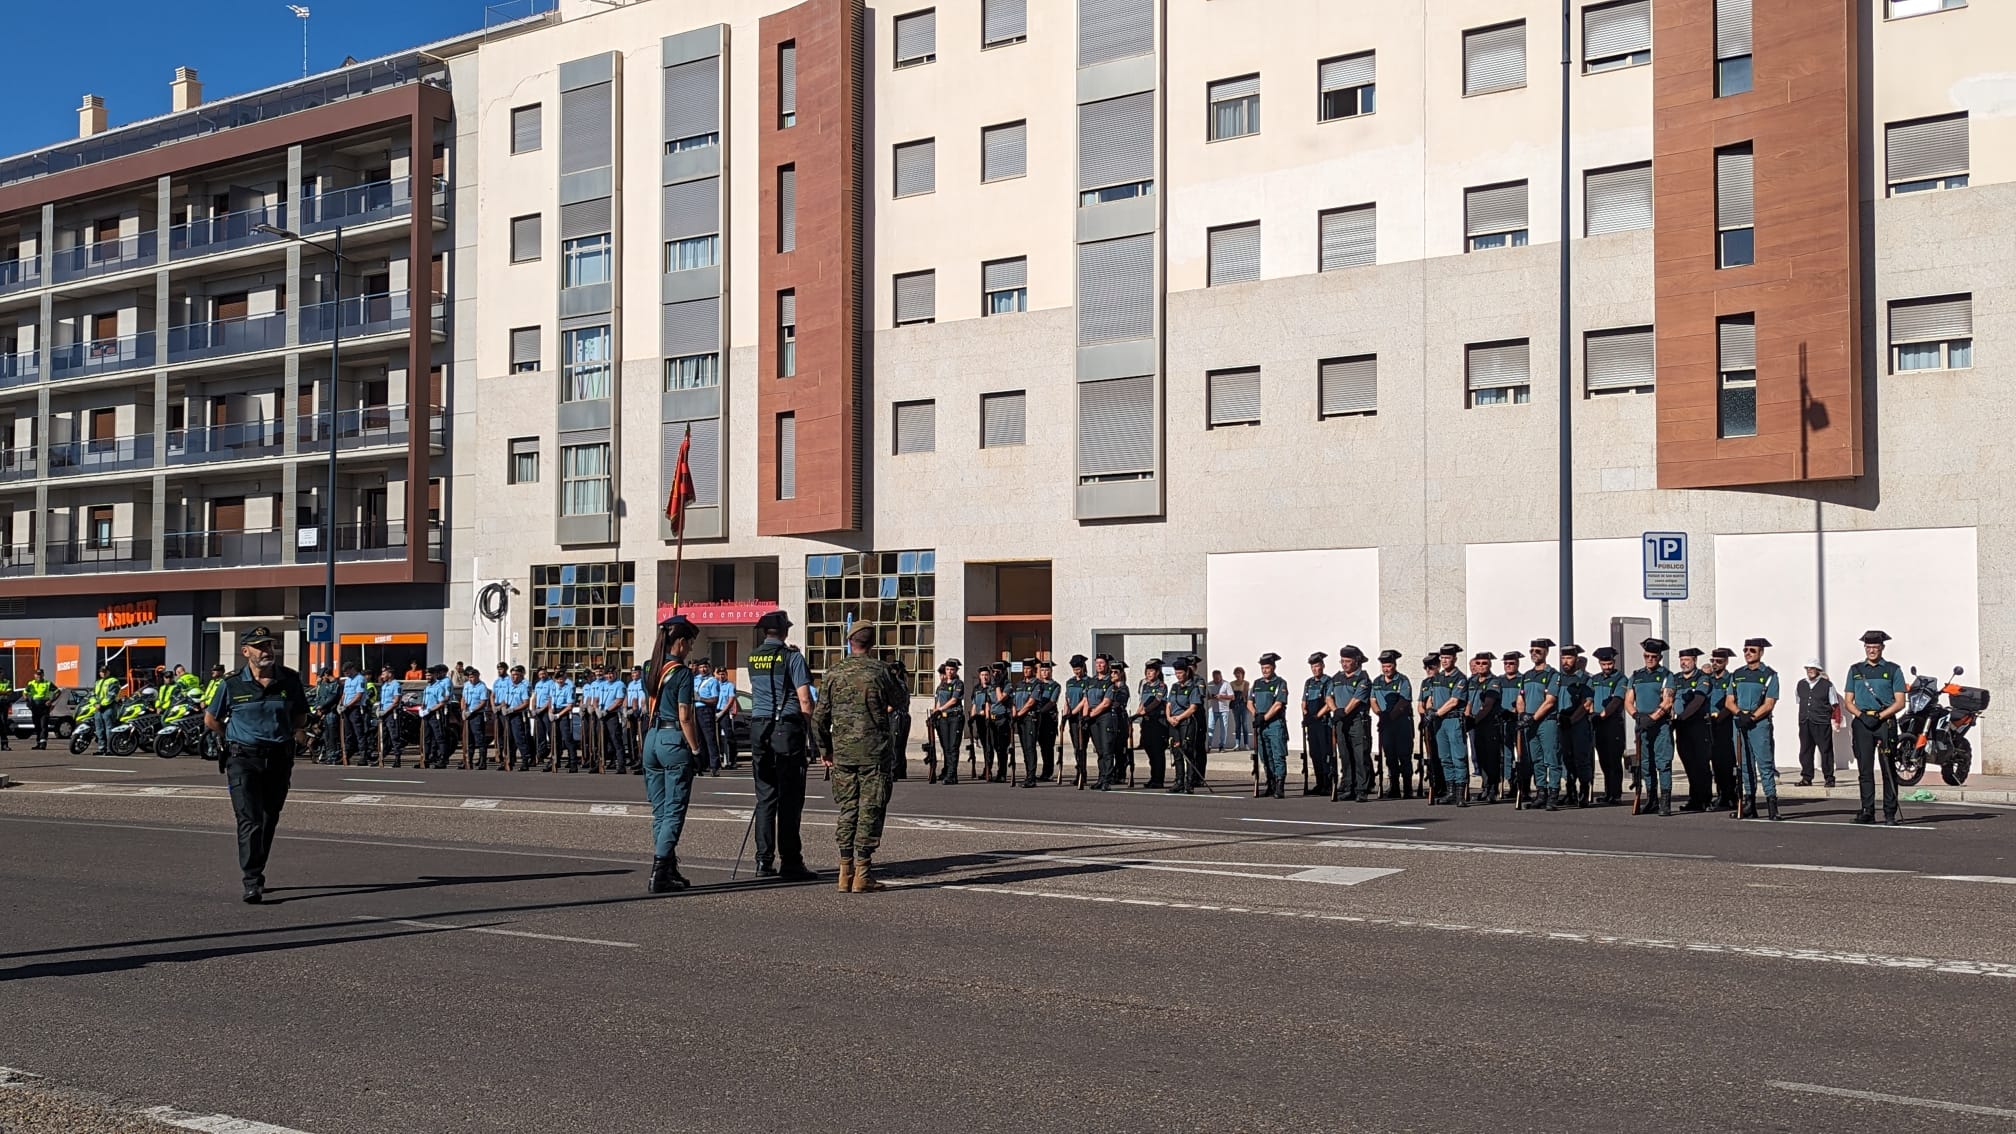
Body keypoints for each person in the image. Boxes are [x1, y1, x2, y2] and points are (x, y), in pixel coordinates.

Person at [203, 626, 310, 904]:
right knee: (249, 818)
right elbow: (211, 719)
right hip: (243, 759)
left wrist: (290, 734)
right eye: (260, 646)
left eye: (270, 646)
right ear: (246, 651)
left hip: (278, 758)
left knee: (268, 818)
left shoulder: (289, 680)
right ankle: (252, 879)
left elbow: (300, 716)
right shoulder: (232, 684)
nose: (267, 651)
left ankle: (257, 865)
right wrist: (233, 739)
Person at [816, 622, 910, 893]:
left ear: (850, 641)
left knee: (848, 809)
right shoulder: (881, 671)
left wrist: (825, 750)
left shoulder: (834, 672)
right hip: (874, 752)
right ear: (872, 643)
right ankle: (863, 872)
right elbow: (902, 699)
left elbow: (819, 717)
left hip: (843, 752)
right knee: (871, 809)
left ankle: (844, 871)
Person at [747, 609, 817, 880]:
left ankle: (763, 861)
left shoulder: (753, 657)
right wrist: (808, 727)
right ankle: (790, 860)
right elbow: (805, 700)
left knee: (765, 798)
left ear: (766, 632)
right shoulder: (793, 657)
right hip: (785, 728)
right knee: (790, 798)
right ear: (785, 631)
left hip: (758, 726)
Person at [641, 615, 704, 893]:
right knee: (674, 811)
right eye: (689, 643)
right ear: (680, 642)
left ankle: (669, 867)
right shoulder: (681, 673)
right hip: (672, 740)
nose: (690, 649)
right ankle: (660, 872)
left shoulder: (649, 667)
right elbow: (685, 716)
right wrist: (696, 748)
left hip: (651, 738)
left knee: (660, 811)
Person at [1843, 630, 1908, 825]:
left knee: (1888, 768)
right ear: (1865, 648)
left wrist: (1880, 716)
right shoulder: (1855, 670)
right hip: (1863, 723)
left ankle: (1890, 813)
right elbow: (1848, 701)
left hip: (1884, 722)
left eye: (1875, 647)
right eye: (1868, 647)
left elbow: (1900, 702)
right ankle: (1867, 810)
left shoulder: (1893, 669)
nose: (1872, 650)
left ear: (1882, 648)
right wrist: (1862, 716)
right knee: (1865, 769)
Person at [1726, 637, 1783, 820]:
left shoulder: (1769, 674)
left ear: (1760, 652)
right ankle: (1749, 804)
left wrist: (1751, 717)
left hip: (1759, 723)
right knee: (1744, 765)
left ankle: (1772, 805)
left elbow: (1769, 704)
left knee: (1765, 765)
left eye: (1751, 650)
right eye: (1745, 650)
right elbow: (1729, 701)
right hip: (1740, 722)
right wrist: (1739, 714)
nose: (1747, 654)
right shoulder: (1737, 674)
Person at [1626, 638, 1676, 816]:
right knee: (1645, 764)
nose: (1649, 659)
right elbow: (1628, 700)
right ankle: (1651, 799)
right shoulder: (1636, 675)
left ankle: (1665, 802)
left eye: (1653, 656)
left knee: (1663, 764)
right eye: (1647, 656)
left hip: (1660, 725)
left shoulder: (1666, 675)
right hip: (1642, 725)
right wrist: (1636, 716)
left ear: (1660, 657)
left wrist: (1652, 718)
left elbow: (1668, 701)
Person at [1519, 639, 1564, 811]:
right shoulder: (1527, 675)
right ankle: (1541, 792)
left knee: (1551, 759)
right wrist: (1523, 715)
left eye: (1538, 651)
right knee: (1535, 759)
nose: (1534, 654)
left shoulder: (1552, 675)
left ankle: (1553, 794)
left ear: (1546, 652)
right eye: (1532, 651)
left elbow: (1550, 701)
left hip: (1546, 722)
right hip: (1530, 723)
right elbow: (1520, 698)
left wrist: (1533, 717)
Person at [1671, 647, 1715, 812]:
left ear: (1694, 661)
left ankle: (1705, 798)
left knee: (1701, 764)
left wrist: (1681, 718)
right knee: (1688, 763)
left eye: (1687, 660)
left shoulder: (1702, 679)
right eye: (1682, 660)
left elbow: (1697, 701)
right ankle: (1694, 798)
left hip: (1698, 726)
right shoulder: (1675, 679)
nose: (1684, 663)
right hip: (1682, 727)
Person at [1327, 646, 1374, 802]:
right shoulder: (1336, 678)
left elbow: (1356, 699)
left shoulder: (1363, 678)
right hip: (1340, 720)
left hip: (1357, 721)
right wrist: (1336, 711)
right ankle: (1348, 787)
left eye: (1348, 661)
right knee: (1345, 755)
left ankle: (1362, 789)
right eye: (1342, 661)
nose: (1344, 664)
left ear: (1356, 661)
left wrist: (1343, 712)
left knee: (1360, 755)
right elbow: (1328, 697)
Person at [1424, 644, 1468, 806]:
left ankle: (1460, 793)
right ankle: (1450, 791)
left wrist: (1436, 713)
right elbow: (1431, 699)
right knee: (1445, 758)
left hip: (1453, 720)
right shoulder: (1437, 678)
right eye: (1442, 658)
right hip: (1439, 723)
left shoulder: (1460, 678)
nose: (1444, 661)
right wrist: (1429, 710)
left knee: (1458, 757)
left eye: (1448, 658)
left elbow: (1453, 701)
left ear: (1454, 659)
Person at [1370, 650, 1414, 800]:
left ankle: (1407, 788)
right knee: (1390, 756)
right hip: (1385, 723)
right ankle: (1394, 786)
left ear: (1394, 665)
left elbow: (1404, 702)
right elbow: (1373, 701)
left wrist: (1389, 717)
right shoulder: (1377, 681)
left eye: (1389, 666)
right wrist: (1380, 715)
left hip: (1400, 723)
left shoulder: (1402, 680)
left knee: (1404, 755)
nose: (1386, 669)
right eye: (1384, 666)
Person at [1589, 647, 1629, 805]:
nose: (1607, 667)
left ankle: (1615, 794)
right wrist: (1592, 713)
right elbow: (1590, 698)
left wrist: (1603, 715)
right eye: (1604, 664)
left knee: (1614, 759)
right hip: (1598, 723)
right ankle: (1607, 792)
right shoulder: (1596, 679)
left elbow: (1617, 701)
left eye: (1609, 663)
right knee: (1604, 760)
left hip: (1612, 723)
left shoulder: (1621, 678)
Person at [1558, 645, 1595, 807]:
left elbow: (1586, 704)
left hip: (1578, 724)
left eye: (1569, 658)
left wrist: (1572, 720)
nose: (1566, 662)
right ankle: (1570, 791)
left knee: (1581, 758)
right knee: (1566, 759)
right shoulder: (1558, 678)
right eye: (1564, 658)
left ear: (1576, 659)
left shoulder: (1585, 679)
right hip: (1562, 723)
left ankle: (1584, 792)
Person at [1794, 658, 1839, 787]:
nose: (1810, 671)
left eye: (1813, 668)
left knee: (1825, 750)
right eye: (1808, 668)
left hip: (1821, 722)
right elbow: (1799, 700)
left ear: (1818, 670)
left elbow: (1834, 703)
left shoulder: (1827, 685)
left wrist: (1834, 720)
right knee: (1805, 750)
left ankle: (1829, 778)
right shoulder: (1801, 684)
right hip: (1804, 721)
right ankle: (1807, 777)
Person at [1704, 647, 1740, 810]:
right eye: (1713, 661)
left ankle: (1730, 795)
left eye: (1719, 661)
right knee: (1715, 762)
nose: (1715, 664)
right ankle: (1720, 794)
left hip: (1724, 724)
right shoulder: (1708, 679)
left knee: (1727, 761)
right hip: (1709, 724)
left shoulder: (1731, 678)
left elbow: (1732, 701)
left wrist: (1720, 717)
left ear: (1725, 662)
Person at [1250, 654, 1289, 798]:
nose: (1265, 670)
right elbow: (1249, 702)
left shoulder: (1280, 683)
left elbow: (1278, 704)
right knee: (1265, 756)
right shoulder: (1257, 683)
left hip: (1274, 724)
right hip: (1261, 726)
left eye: (1267, 668)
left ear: (1273, 667)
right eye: (1263, 668)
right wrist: (1256, 715)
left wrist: (1265, 717)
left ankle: (1280, 786)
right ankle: (1270, 783)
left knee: (1278, 755)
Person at [1166, 655, 1205, 793]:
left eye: (1180, 673)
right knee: (1176, 752)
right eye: (1176, 673)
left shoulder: (1193, 687)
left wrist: (1179, 718)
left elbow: (1193, 707)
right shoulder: (1175, 687)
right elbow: (1169, 704)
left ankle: (1189, 783)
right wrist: (1169, 717)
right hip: (1174, 723)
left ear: (1187, 672)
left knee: (1188, 752)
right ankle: (1178, 781)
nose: (1178, 676)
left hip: (1187, 722)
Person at [1301, 652, 1334, 796]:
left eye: (1318, 666)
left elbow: (1329, 703)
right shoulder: (1308, 682)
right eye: (1313, 667)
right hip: (1312, 724)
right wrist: (1306, 714)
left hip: (1323, 723)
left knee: (1325, 754)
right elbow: (1303, 701)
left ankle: (1328, 783)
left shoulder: (1328, 681)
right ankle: (1319, 782)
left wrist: (1316, 716)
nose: (1315, 669)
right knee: (1314, 753)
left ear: (1323, 666)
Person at [1084, 655, 1118, 790]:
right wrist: (1085, 715)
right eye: (1097, 663)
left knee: (1107, 749)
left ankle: (1107, 780)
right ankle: (1101, 777)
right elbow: (1086, 699)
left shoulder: (1110, 682)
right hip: (1092, 718)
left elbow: (1106, 703)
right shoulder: (1091, 681)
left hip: (1104, 717)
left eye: (1102, 663)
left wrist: (1091, 714)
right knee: (1099, 750)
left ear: (1107, 665)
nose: (1099, 665)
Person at [930, 659, 966, 785]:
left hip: (955, 717)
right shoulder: (942, 685)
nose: (949, 672)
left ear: (956, 671)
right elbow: (938, 700)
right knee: (945, 747)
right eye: (947, 669)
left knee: (953, 747)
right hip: (943, 718)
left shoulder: (958, 684)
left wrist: (939, 709)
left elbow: (954, 700)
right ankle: (948, 772)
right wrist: (935, 713)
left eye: (952, 669)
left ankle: (952, 774)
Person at [1135, 658, 1169, 790]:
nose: (1148, 673)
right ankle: (1153, 778)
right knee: (1149, 749)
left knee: (1157, 752)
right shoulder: (1145, 685)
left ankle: (1158, 779)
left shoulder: (1161, 686)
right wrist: (1137, 714)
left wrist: (1145, 711)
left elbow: (1156, 701)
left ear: (1157, 672)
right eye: (1147, 671)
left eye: (1151, 671)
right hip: (1147, 722)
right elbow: (1142, 702)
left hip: (1158, 722)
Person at [1012, 658, 1044, 788]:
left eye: (1028, 669)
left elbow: (1031, 702)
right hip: (1020, 719)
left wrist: (1019, 713)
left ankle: (1031, 777)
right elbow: (1013, 700)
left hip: (1030, 718)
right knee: (1025, 748)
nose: (1026, 671)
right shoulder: (1019, 684)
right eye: (1024, 669)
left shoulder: (1037, 684)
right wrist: (1014, 713)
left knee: (1030, 747)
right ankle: (1027, 775)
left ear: (1033, 670)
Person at [1061, 655, 1089, 788]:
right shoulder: (1070, 682)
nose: (1076, 671)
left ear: (1083, 667)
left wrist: (1074, 712)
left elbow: (1085, 700)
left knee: (1081, 747)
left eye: (1078, 668)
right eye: (1074, 669)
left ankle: (1083, 774)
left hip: (1081, 717)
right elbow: (1067, 699)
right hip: (1071, 718)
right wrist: (1065, 715)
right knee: (1076, 748)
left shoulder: (1088, 681)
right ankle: (1079, 772)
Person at [1031, 659, 1060, 782]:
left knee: (1048, 747)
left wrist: (1040, 711)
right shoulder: (1037, 684)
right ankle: (1039, 771)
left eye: (1047, 670)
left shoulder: (1055, 686)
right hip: (1037, 719)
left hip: (1048, 718)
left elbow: (1052, 701)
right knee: (1040, 746)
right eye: (1042, 670)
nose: (1044, 673)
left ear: (1051, 671)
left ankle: (1048, 772)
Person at [421, 664, 453, 768]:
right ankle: (426, 759)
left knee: (439, 737)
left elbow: (442, 702)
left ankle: (443, 759)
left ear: (434, 675)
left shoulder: (439, 687)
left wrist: (430, 710)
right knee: (426, 738)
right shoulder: (427, 688)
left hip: (436, 714)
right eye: (426, 675)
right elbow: (424, 701)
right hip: (426, 715)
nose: (428, 677)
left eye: (430, 675)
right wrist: (422, 708)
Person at [377, 664, 407, 767]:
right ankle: (381, 758)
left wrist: (385, 711)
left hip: (391, 714)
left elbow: (396, 701)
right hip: (383, 714)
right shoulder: (384, 685)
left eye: (384, 673)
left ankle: (397, 758)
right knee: (383, 737)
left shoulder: (395, 685)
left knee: (394, 736)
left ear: (390, 674)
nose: (382, 675)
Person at [23, 669, 57, 749]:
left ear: (43, 675)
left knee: (43, 725)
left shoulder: (47, 683)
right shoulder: (31, 683)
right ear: (34, 675)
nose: (39, 676)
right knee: (37, 725)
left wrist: (51, 701)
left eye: (40, 674)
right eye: (37, 674)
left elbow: (58, 692)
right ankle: (38, 743)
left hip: (44, 706)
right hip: (35, 706)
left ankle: (43, 743)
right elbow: (25, 693)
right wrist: (27, 700)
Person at [1210, 670, 1234, 751]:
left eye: (1218, 677)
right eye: (1215, 678)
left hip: (1224, 709)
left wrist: (1222, 696)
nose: (1216, 679)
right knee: (1210, 727)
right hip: (1213, 709)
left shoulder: (1226, 684)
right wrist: (1211, 696)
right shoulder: (1210, 684)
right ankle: (1208, 745)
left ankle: (1222, 746)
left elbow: (1232, 697)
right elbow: (1206, 696)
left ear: (1221, 676)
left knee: (1223, 728)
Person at [1229, 666, 1251, 750]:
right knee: (1237, 725)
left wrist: (1239, 695)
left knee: (1244, 724)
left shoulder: (1246, 683)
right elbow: (1232, 695)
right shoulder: (1232, 683)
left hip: (1243, 705)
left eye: (1239, 673)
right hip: (1235, 706)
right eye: (1236, 673)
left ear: (1242, 674)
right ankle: (1237, 744)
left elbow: (1244, 694)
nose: (1238, 675)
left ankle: (1246, 744)